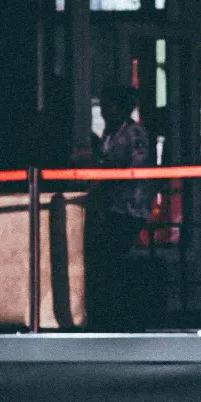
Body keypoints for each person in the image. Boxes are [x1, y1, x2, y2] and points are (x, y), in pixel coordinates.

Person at [86, 85, 152, 329]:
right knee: (105, 256)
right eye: (103, 106)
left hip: (129, 206)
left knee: (110, 254)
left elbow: (130, 165)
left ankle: (120, 311)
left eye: (109, 106)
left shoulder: (134, 133)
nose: (104, 112)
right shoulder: (109, 133)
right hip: (111, 204)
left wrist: (105, 168)